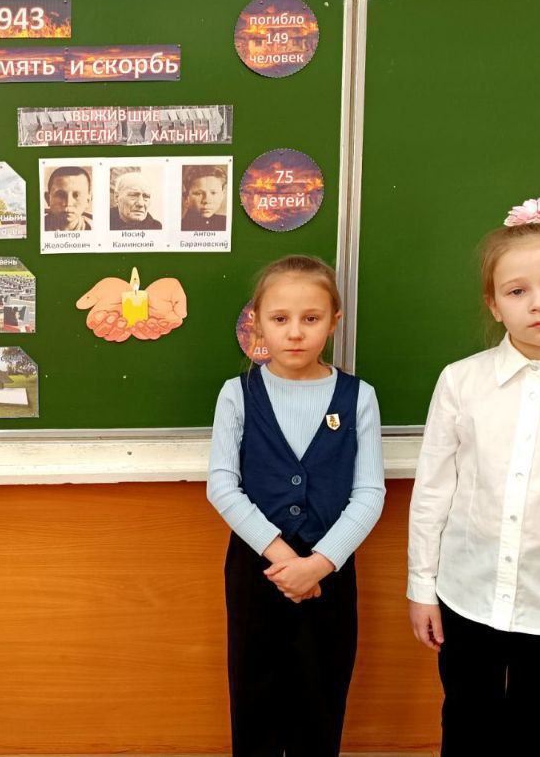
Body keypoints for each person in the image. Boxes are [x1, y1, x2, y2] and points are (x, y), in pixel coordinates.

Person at [407, 196, 540, 757]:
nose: (539, 303)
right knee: (465, 724)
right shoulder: (460, 381)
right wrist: (421, 586)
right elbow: (432, 493)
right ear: (495, 305)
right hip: (466, 595)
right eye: (517, 291)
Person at [207, 255, 385, 756]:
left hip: (331, 568)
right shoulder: (238, 394)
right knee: (254, 694)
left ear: (334, 321)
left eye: (311, 318)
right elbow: (222, 485)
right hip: (256, 567)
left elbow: (370, 492)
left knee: (320, 696)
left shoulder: (358, 396)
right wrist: (284, 558)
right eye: (280, 318)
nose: (295, 332)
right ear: (257, 321)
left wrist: (319, 564)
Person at [42, 165, 92, 231]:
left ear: (88, 201)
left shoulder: (97, 229)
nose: (68, 203)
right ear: (48, 199)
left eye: (76, 195)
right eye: (60, 195)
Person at [181, 165, 228, 231]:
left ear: (222, 195)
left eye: (213, 193)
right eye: (198, 193)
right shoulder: (182, 227)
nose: (206, 200)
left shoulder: (225, 222)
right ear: (186, 198)